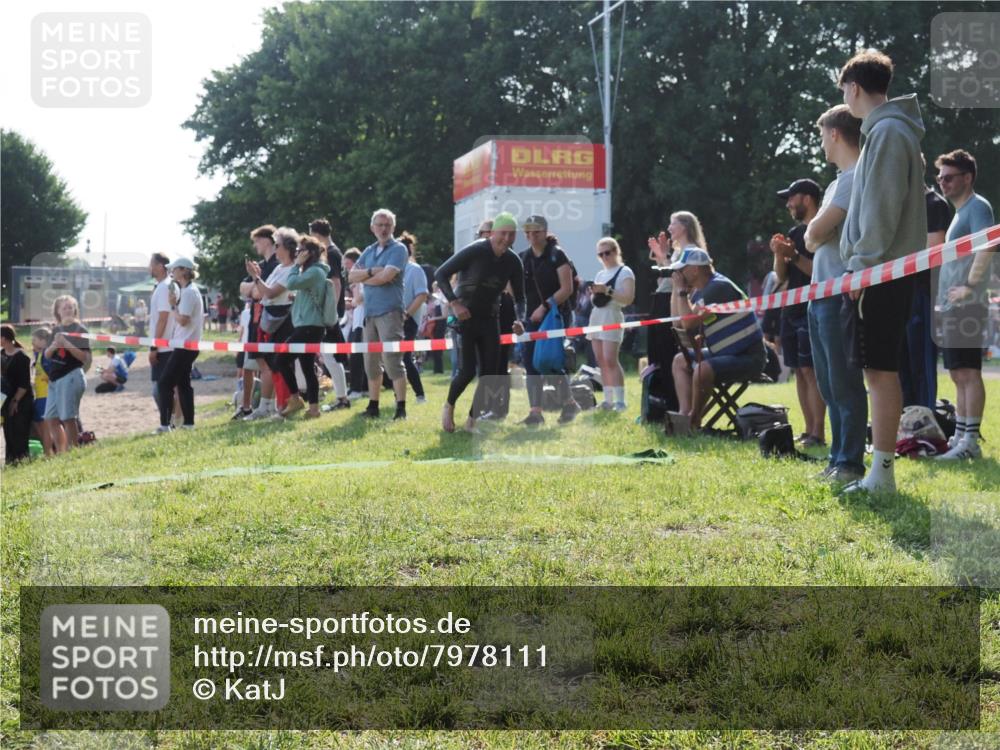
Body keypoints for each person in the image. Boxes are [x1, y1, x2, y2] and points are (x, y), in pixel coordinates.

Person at [837, 49, 928, 494]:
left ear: (853, 88)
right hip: (881, 271)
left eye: (844, 91)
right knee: (877, 370)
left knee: (880, 371)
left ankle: (882, 475)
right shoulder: (887, 131)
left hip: (881, 273)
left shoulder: (889, 132)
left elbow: (881, 210)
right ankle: (881, 472)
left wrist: (860, 268)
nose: (845, 100)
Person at [804, 104, 867, 484]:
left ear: (834, 134)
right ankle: (836, 457)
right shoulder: (834, 182)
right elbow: (812, 238)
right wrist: (815, 231)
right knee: (828, 382)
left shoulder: (853, 178)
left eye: (821, 135)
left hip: (838, 293)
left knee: (843, 381)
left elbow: (815, 231)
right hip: (819, 291)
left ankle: (849, 462)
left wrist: (815, 231)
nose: (821, 143)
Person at [434, 211, 526, 432]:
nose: (506, 239)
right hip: (464, 319)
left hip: (489, 319)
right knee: (466, 371)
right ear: (493, 232)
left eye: (511, 235)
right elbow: (440, 274)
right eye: (502, 233)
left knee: (490, 375)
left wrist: (519, 320)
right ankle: (449, 405)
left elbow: (521, 298)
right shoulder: (476, 250)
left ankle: (472, 420)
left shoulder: (513, 261)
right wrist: (455, 304)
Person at [934, 149, 996, 461]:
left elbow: (990, 244)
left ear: (967, 177)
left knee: (969, 372)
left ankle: (970, 442)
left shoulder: (978, 206)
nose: (942, 182)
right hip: (950, 307)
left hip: (968, 306)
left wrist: (970, 286)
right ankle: (959, 436)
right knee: (958, 373)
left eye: (949, 177)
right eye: (939, 177)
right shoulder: (958, 212)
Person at [670, 247, 766, 430]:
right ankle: (684, 414)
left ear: (695, 269)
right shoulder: (701, 292)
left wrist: (682, 292)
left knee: (703, 369)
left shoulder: (717, 287)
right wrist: (677, 291)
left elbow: (688, 323)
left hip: (748, 356)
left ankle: (694, 420)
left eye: (682, 269)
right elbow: (679, 323)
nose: (679, 274)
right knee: (680, 361)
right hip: (724, 352)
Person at [770, 179, 826, 447]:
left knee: (811, 370)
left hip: (812, 308)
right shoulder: (794, 232)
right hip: (790, 310)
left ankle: (818, 432)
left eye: (791, 198)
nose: (789, 205)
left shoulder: (822, 230)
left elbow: (819, 272)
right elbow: (781, 277)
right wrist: (779, 255)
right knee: (799, 371)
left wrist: (793, 255)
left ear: (807, 198)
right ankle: (807, 430)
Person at [254, 236, 329, 419]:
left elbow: (292, 282)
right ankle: (313, 408)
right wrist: (298, 298)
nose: (297, 254)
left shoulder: (315, 272)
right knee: (306, 367)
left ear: (308, 253)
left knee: (280, 360)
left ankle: (295, 398)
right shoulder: (311, 271)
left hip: (310, 326)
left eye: (300, 251)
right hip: (307, 324)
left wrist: (296, 265)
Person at [899, 155, 952, 409]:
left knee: (922, 366)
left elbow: (934, 249)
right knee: (901, 367)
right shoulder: (901, 206)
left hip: (923, 293)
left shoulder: (934, 204)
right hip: (899, 294)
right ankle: (906, 424)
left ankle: (926, 424)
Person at [347, 208, 409, 420]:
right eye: (380, 225)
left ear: (393, 227)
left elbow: (387, 276)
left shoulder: (399, 249)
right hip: (370, 313)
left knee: (392, 361)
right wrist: (373, 272)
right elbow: (351, 275)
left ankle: (401, 408)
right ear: (372, 228)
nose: (383, 229)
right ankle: (373, 406)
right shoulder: (369, 250)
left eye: (387, 225)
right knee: (370, 363)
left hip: (390, 312)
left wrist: (365, 277)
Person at [519, 214, 580, 426]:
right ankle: (536, 413)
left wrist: (544, 306)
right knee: (529, 361)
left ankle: (570, 404)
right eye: (528, 232)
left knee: (549, 361)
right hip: (531, 318)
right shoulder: (523, 257)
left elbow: (567, 289)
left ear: (545, 232)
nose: (531, 236)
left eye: (536, 232)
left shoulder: (557, 255)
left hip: (555, 315)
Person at [648, 212, 706, 412]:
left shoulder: (690, 252)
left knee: (669, 354)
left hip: (676, 306)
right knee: (663, 356)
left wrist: (663, 258)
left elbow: (677, 279)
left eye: (673, 224)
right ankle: (668, 404)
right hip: (668, 302)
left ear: (685, 226)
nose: (669, 227)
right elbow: (666, 279)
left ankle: (677, 406)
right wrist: (663, 258)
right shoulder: (679, 251)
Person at [156, 257, 204, 432]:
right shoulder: (188, 290)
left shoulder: (189, 292)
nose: (171, 272)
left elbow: (183, 320)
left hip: (185, 346)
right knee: (183, 384)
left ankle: (165, 425)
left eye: (174, 269)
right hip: (186, 345)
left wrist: (172, 306)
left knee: (164, 383)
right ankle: (188, 424)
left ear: (184, 271)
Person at [588, 238, 636, 411]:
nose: (605, 257)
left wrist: (607, 290)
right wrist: (594, 293)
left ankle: (620, 402)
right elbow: (597, 298)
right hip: (597, 317)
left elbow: (628, 299)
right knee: (601, 360)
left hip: (612, 316)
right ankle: (608, 401)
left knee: (610, 359)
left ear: (616, 252)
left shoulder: (625, 272)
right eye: (600, 254)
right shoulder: (601, 274)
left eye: (607, 252)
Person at [241, 225, 281, 420]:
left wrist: (254, 286)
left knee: (267, 364)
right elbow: (243, 288)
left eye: (257, 240)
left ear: (267, 240)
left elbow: (259, 292)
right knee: (260, 362)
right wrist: (253, 285)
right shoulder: (262, 265)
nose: (255, 245)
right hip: (257, 319)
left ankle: (267, 406)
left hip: (269, 319)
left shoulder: (275, 264)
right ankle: (267, 405)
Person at [310, 218, 351, 411]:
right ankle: (342, 396)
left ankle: (343, 398)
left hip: (332, 312)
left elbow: (336, 283)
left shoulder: (331, 253)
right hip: (332, 311)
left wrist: (331, 312)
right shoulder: (334, 252)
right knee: (330, 357)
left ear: (316, 235)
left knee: (331, 356)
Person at [43, 295, 91, 453]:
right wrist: (55, 345)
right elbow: (47, 355)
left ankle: (73, 452)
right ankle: (63, 452)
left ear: (75, 310)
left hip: (71, 376)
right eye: (64, 307)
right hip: (54, 379)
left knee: (68, 418)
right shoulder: (55, 330)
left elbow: (84, 357)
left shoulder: (80, 330)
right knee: (50, 418)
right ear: (57, 311)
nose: (68, 310)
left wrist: (67, 344)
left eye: (71, 307)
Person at [398, 232, 429, 403]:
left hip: (408, 320)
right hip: (393, 319)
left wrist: (406, 314)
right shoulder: (395, 269)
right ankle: (399, 396)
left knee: (404, 358)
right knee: (395, 360)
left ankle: (420, 395)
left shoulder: (415, 270)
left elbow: (422, 295)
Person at [1, 325, 35, 464]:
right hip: (5, 399)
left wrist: (15, 402)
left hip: (21, 400)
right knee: (8, 432)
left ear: (3, 338)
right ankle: (10, 462)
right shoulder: (1, 354)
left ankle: (22, 460)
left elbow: (24, 384)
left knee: (20, 432)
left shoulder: (21, 357)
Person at [147, 252, 175, 417]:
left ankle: (170, 422)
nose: (149, 267)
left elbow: (163, 319)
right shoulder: (162, 286)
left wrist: (154, 347)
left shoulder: (165, 286)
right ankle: (171, 421)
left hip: (165, 347)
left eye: (151, 264)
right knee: (161, 389)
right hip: (165, 346)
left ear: (159, 266)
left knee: (160, 390)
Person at [343, 248, 369, 400]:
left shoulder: (361, 277)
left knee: (356, 355)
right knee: (360, 354)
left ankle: (356, 389)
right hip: (359, 319)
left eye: (348, 265)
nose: (347, 269)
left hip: (362, 319)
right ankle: (363, 387)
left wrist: (351, 301)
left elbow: (359, 299)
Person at [30, 328, 55, 456]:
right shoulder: (40, 355)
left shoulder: (47, 356)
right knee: (38, 425)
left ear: (43, 340)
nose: (32, 343)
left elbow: (53, 375)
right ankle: (48, 451)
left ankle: (48, 453)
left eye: (34, 340)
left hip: (45, 396)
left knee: (45, 427)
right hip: (40, 396)